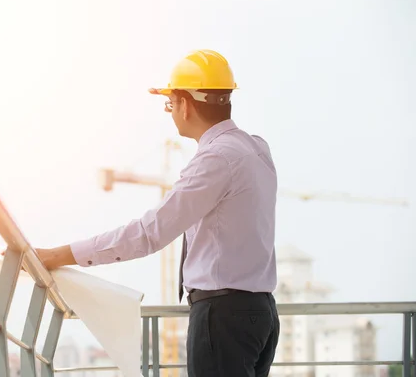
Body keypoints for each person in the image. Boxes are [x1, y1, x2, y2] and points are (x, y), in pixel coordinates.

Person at [33, 49, 280, 377]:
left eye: (170, 103)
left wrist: (58, 254)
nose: (171, 111)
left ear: (185, 105)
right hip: (261, 313)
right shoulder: (256, 147)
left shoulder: (215, 160)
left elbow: (148, 234)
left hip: (224, 317)